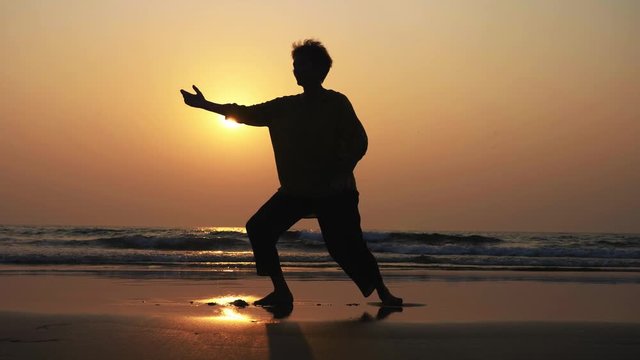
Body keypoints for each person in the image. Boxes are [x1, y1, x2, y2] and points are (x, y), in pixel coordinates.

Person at [180, 39, 402, 307]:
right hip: (296, 191)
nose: (296, 70)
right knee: (259, 227)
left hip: (335, 191)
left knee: (347, 247)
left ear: (319, 70)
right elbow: (246, 112)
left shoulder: (336, 103)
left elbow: (359, 141)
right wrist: (206, 105)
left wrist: (341, 168)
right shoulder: (284, 106)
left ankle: (383, 293)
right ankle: (281, 290)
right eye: (294, 66)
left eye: (301, 65)